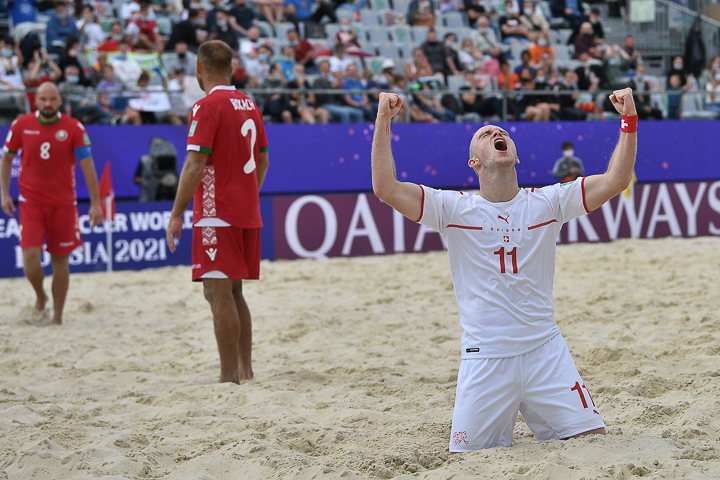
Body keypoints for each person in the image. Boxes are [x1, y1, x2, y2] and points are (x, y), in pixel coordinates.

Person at [371, 87, 639, 450]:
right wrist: (383, 120)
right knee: (470, 458)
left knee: (592, 444)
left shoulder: (548, 202)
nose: (497, 134)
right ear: (474, 163)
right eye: (485, 134)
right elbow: (385, 187)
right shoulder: (452, 209)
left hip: (545, 350)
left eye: (503, 134)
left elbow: (615, 181)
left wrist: (629, 120)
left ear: (515, 157)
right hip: (486, 357)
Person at [166, 41, 269, 384]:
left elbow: (195, 164)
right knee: (235, 291)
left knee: (217, 292)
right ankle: (245, 370)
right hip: (244, 209)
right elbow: (264, 159)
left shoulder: (206, 105)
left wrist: (177, 213)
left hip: (216, 212)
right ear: (232, 68)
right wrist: (247, 193)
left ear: (199, 68)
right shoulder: (250, 104)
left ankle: (228, 379)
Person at [0, 82, 103, 326]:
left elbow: (88, 166)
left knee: (60, 261)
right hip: (31, 203)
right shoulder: (21, 125)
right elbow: (6, 160)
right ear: (36, 100)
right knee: (30, 257)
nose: (48, 104)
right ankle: (41, 295)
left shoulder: (73, 127)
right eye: (43, 99)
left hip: (64, 204)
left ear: (60, 100)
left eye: (52, 99)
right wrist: (4, 193)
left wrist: (96, 203)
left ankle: (57, 317)